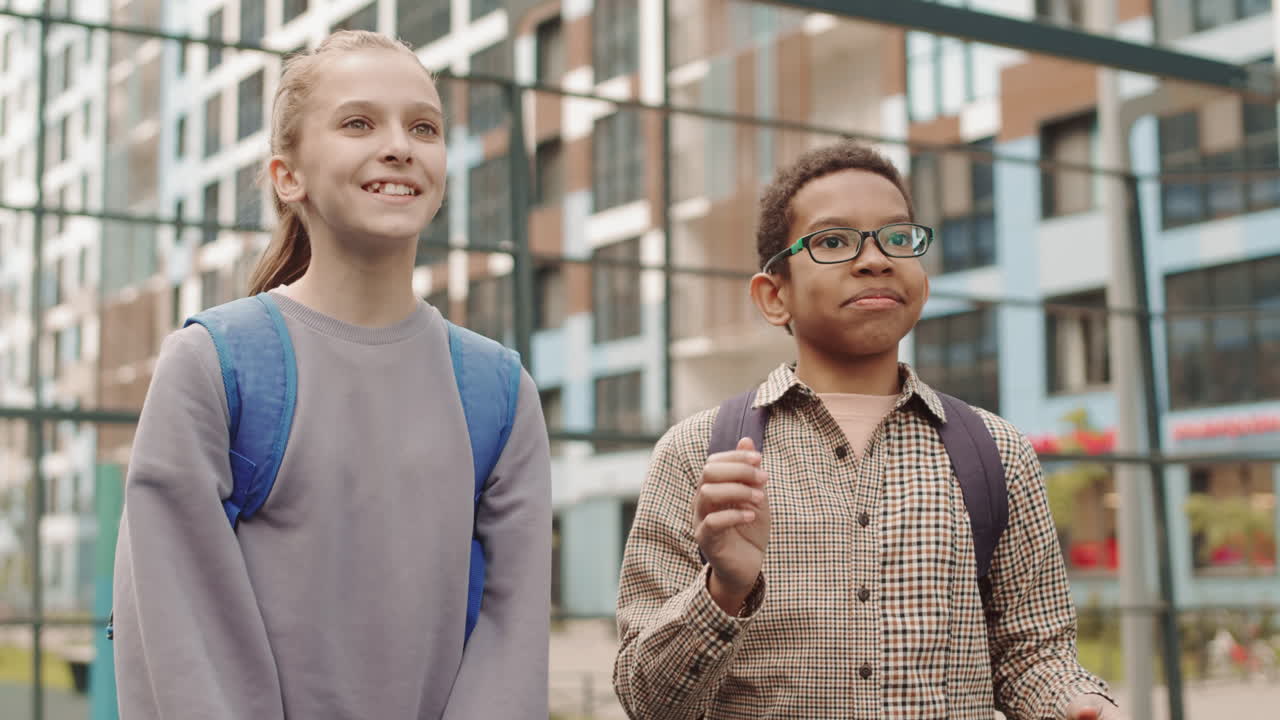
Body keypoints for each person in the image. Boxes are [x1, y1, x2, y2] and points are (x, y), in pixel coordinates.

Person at [111, 31, 551, 719]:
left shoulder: (500, 392)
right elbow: (177, 636)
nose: (400, 145)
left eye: (424, 127)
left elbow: (511, 642)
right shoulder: (213, 364)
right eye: (358, 123)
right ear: (288, 176)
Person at [613, 140, 1125, 719]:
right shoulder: (698, 455)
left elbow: (1033, 655)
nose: (875, 259)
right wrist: (723, 591)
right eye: (834, 241)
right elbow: (646, 701)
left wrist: (1076, 703)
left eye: (897, 238)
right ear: (775, 295)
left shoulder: (996, 452)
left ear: (922, 283)